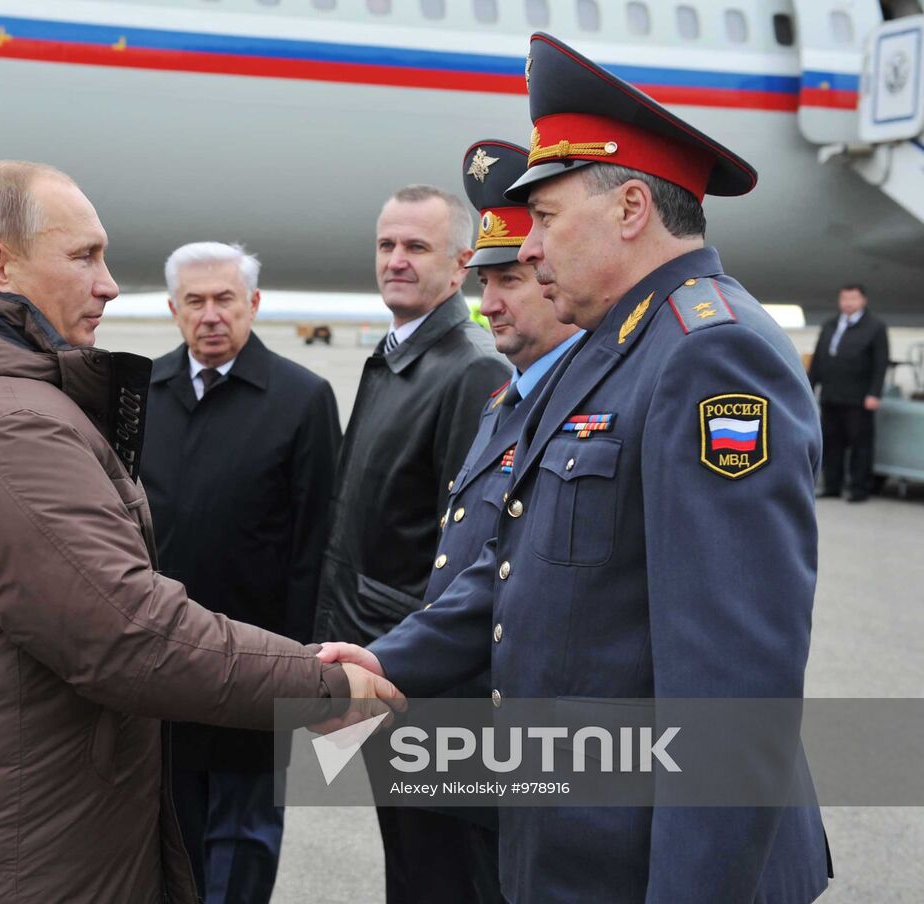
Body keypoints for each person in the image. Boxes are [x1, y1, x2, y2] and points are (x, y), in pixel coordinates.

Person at [322, 32, 831, 903]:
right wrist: (386, 659)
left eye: (548, 220)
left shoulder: (711, 355)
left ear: (631, 208)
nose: (535, 250)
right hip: (568, 841)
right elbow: (513, 566)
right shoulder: (611, 350)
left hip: (646, 862)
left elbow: (731, 686)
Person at [0, 160, 398, 903]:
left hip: (15, 829)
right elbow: (133, 634)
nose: (107, 284)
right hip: (14, 857)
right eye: (83, 257)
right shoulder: (2, 426)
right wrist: (326, 685)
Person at [383, 137, 585, 903]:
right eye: (484, 281)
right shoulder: (508, 402)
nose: (487, 303)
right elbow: (478, 569)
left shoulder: (582, 404)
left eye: (509, 281)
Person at [309, 184, 507, 902]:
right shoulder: (395, 357)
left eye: (416, 247)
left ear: (460, 267)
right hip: (378, 664)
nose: (395, 260)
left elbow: (469, 554)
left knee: (442, 874)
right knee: (411, 866)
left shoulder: (472, 369)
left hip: (426, 688)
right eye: (386, 245)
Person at [140, 242, 342, 903]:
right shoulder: (143, 396)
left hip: (259, 659)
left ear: (252, 304)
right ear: (173, 310)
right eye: (194, 301)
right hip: (163, 660)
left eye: (225, 299)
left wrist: (305, 666)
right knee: (173, 828)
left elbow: (318, 542)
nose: (211, 315)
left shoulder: (302, 398)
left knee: (246, 834)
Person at [808, 284, 889, 502]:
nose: (848, 303)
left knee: (860, 444)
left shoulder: (875, 327)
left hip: (859, 397)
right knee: (832, 442)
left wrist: (874, 393)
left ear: (863, 300)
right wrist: (809, 386)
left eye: (853, 298)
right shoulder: (830, 324)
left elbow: (881, 363)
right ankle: (832, 485)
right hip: (831, 394)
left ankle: (859, 488)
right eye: (844, 298)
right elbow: (818, 359)